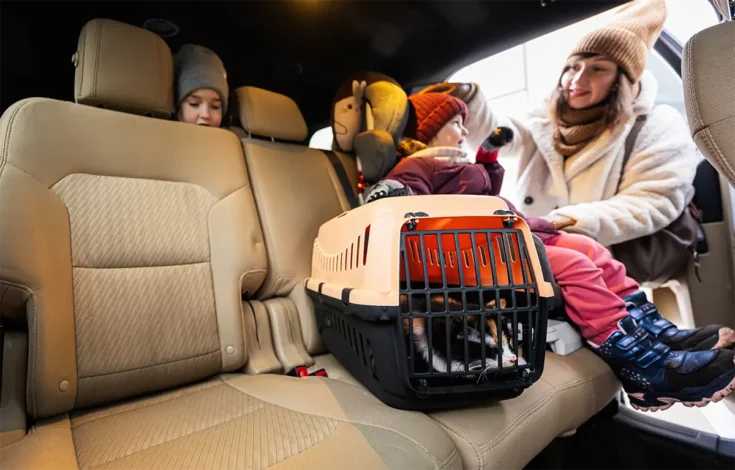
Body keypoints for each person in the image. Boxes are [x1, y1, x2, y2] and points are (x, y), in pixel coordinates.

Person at [367, 91, 735, 412]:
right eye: (456, 124)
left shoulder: (456, 165)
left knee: (591, 249)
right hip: (475, 252)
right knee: (574, 265)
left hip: (511, 235)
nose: (464, 130)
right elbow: (406, 191)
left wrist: (488, 159)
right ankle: (639, 367)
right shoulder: (420, 162)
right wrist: (391, 191)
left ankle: (650, 332)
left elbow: (487, 188)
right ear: (430, 130)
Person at [456, 0, 697, 250]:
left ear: (622, 80)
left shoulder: (658, 124)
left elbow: (653, 201)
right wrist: (467, 98)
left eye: (598, 69)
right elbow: (499, 137)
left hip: (605, 262)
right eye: (573, 67)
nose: (578, 79)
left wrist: (570, 222)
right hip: (541, 251)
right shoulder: (545, 119)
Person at [173, 44, 228, 127]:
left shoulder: (228, 139)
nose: (205, 115)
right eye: (194, 104)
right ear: (178, 109)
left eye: (215, 107)